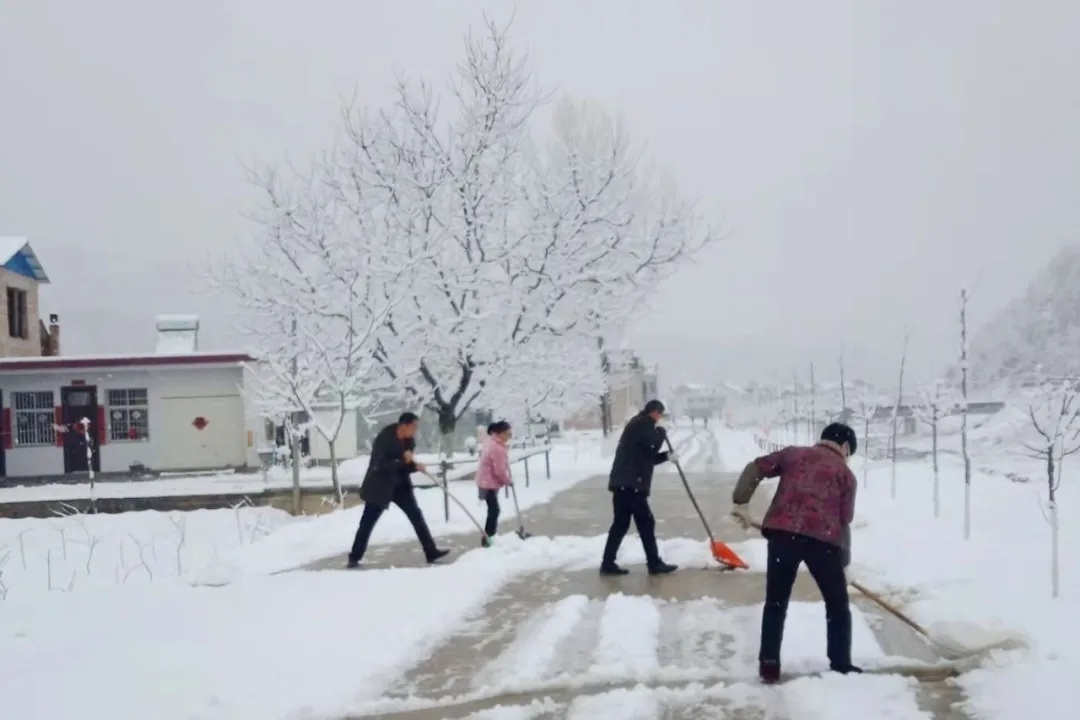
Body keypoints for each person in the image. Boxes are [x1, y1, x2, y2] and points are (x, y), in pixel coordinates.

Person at [730, 422, 861, 683]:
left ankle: (769, 665)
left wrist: (740, 502)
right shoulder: (846, 475)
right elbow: (844, 520)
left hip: (782, 537)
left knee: (775, 602)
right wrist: (843, 563)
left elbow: (755, 467)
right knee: (837, 605)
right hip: (822, 544)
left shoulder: (793, 454)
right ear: (845, 447)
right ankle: (841, 664)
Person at [347, 412, 450, 568]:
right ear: (404, 425)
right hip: (380, 486)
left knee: (416, 515)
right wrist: (403, 460)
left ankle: (431, 551)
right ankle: (354, 556)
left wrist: (415, 466)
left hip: (400, 486)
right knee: (367, 522)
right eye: (413, 427)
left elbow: (405, 466)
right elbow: (379, 465)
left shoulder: (409, 442)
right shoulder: (384, 439)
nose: (415, 431)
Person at [600, 399, 679, 576]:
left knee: (621, 524)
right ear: (653, 411)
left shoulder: (640, 425)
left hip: (625, 483)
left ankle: (607, 563)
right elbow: (652, 444)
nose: (660, 418)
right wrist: (661, 432)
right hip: (631, 485)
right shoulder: (642, 424)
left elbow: (647, 455)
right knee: (645, 522)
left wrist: (667, 456)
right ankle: (654, 563)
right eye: (659, 413)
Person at [475, 420, 513, 546]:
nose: (509, 437)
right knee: (494, 510)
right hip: (489, 483)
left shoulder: (490, 442)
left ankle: (488, 536)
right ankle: (488, 537)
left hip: (484, 481)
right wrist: (508, 481)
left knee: (493, 509)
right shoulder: (497, 448)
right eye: (507, 434)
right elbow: (499, 470)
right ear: (500, 433)